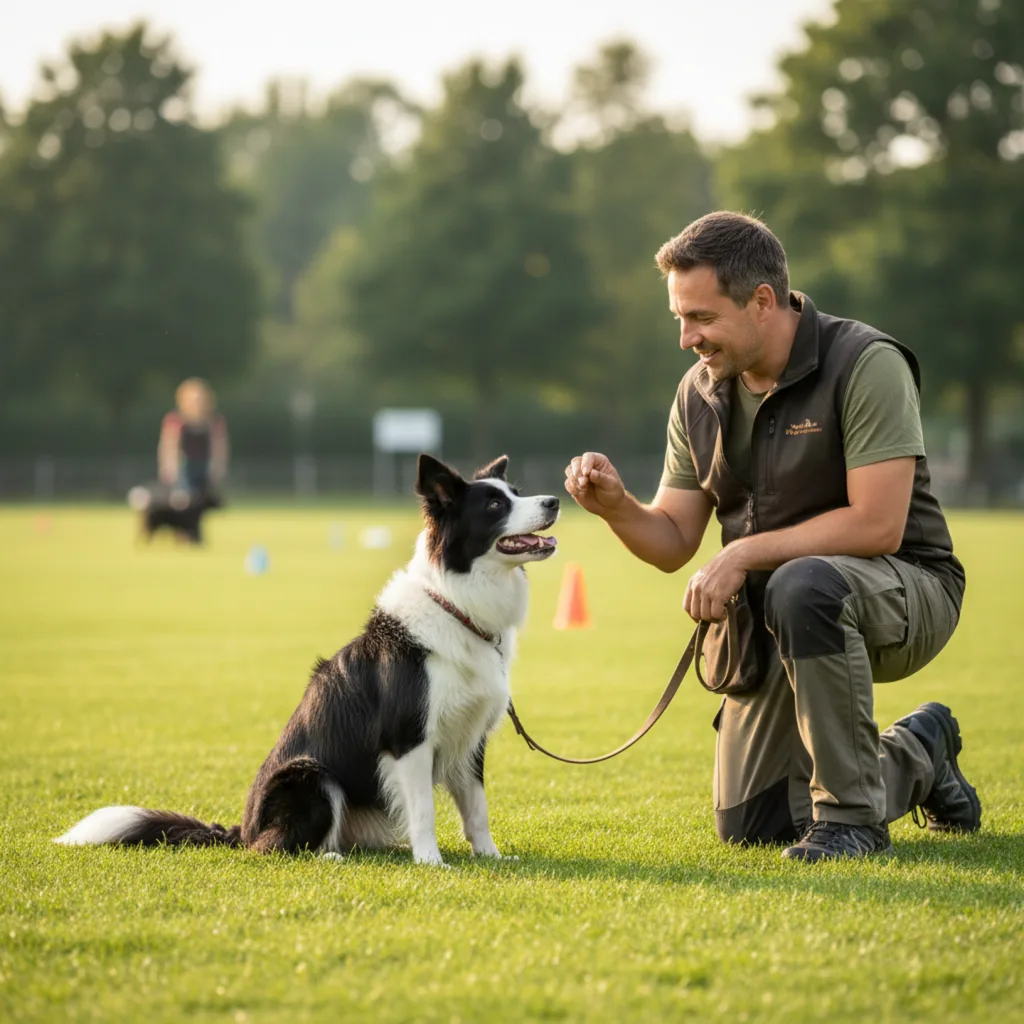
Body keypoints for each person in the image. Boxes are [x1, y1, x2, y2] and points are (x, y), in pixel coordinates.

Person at [564, 212, 979, 863]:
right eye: (679, 317)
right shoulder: (699, 394)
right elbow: (673, 541)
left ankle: (851, 822)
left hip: (908, 589)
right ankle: (918, 752)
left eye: (700, 317)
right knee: (754, 823)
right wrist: (616, 508)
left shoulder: (865, 362)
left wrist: (743, 553)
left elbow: (878, 524)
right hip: (779, 616)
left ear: (762, 301)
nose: (685, 338)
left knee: (802, 582)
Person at [158, 378, 229, 499]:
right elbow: (169, 447)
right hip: (184, 468)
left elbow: (219, 447)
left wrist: (218, 468)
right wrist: (169, 468)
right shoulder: (175, 421)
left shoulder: (214, 422)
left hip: (205, 467)